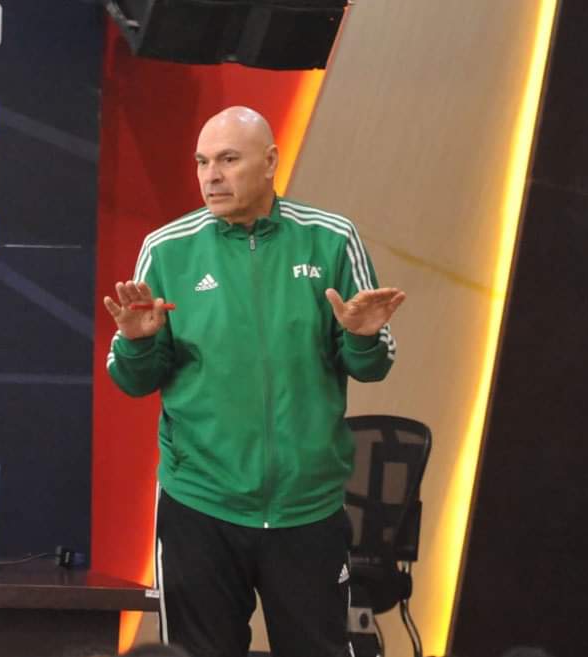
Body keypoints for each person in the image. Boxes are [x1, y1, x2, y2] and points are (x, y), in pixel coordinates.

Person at [104, 106, 406, 657]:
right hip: (200, 502)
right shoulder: (166, 248)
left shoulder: (332, 239)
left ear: (270, 162)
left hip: (307, 506)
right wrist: (138, 342)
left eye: (228, 160)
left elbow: (373, 365)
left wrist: (362, 337)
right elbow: (133, 380)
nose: (211, 177)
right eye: (202, 162)